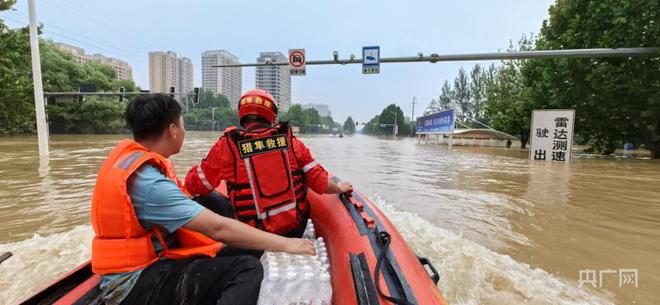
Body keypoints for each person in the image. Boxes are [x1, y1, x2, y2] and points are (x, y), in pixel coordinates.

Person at [91, 94, 315, 305]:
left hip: (152, 260)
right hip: (132, 283)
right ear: (172, 130)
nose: (183, 130)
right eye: (182, 124)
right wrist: (288, 243)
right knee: (247, 268)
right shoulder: (149, 184)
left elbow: (199, 185)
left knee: (252, 248)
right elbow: (217, 228)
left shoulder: (136, 162)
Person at [185, 89, 353, 238]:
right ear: (271, 114)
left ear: (241, 114)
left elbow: (195, 186)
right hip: (295, 229)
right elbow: (320, 182)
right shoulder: (292, 142)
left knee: (200, 198)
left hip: (253, 236)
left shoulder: (227, 146)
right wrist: (339, 188)